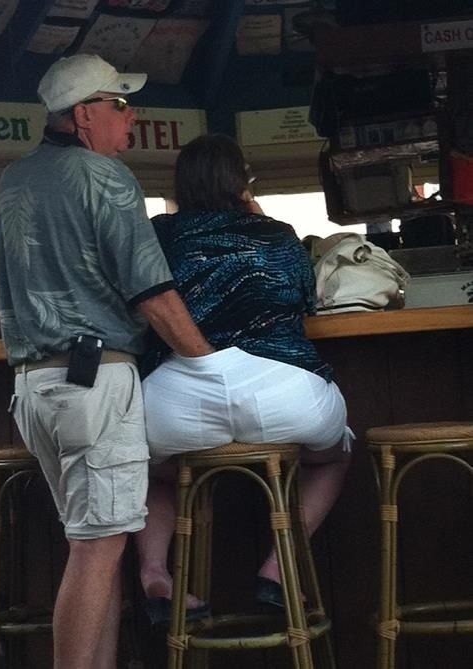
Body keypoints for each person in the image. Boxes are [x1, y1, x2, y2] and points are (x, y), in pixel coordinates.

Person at [0, 54, 213, 669]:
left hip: (32, 389)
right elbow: (153, 295)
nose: (131, 115)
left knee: (97, 549)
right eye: (120, 104)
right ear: (85, 114)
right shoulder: (105, 177)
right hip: (94, 385)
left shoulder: (12, 179)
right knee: (97, 552)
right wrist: (213, 366)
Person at [136, 133, 353, 620]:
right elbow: (308, 299)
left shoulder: (158, 234)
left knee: (147, 469)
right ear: (241, 182)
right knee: (334, 455)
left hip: (176, 401)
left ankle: (156, 573)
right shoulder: (277, 234)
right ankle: (277, 570)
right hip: (283, 394)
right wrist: (257, 217)